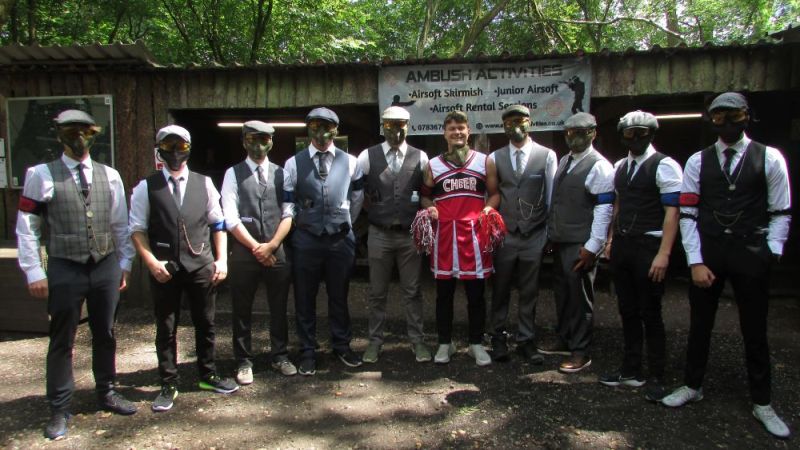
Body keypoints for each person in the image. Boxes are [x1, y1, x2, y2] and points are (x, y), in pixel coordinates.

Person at [662, 92, 791, 439]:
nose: (727, 122)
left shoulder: (770, 157)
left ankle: (762, 401)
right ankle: (692, 384)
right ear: (711, 120)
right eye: (719, 116)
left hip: (751, 252)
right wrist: (696, 260)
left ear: (747, 116)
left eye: (733, 115)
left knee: (755, 329)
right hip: (710, 251)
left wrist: (770, 252)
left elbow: (781, 211)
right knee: (699, 324)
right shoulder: (697, 161)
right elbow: (688, 212)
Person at [16, 109, 137, 439]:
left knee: (106, 331)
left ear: (93, 135)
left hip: (104, 264)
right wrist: (33, 270)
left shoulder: (109, 175)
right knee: (62, 338)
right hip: (65, 265)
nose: (79, 138)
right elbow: (28, 227)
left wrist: (124, 263)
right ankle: (59, 407)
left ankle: (107, 390)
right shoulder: (40, 174)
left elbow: (119, 225)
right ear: (59, 135)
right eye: (71, 132)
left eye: (85, 132)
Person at [129, 125, 238, 412]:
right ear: (160, 150)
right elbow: (137, 230)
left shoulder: (204, 183)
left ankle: (208, 374)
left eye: (180, 147)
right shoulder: (146, 187)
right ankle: (168, 381)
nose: (175, 153)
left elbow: (218, 224)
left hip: (201, 264)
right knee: (166, 327)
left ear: (188, 149)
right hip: (165, 267)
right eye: (168, 147)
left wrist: (222, 260)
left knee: (206, 323)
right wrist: (151, 262)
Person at [599, 111, 682, 401]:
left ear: (651, 133)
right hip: (623, 244)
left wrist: (664, 253)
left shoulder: (665, 165)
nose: (634, 138)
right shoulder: (620, 166)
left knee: (651, 312)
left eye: (641, 133)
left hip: (650, 245)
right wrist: (610, 240)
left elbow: (673, 212)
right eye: (629, 133)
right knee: (627, 310)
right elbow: (618, 204)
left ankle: (657, 375)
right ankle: (630, 368)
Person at [283, 107, 365, 375]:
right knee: (304, 296)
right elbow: (288, 204)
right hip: (306, 239)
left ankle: (342, 345)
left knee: (339, 294)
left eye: (327, 126)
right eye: (315, 126)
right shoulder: (293, 163)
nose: (321, 132)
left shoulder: (351, 161)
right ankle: (307, 351)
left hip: (340, 239)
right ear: (308, 129)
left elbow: (357, 199)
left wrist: (342, 222)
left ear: (336, 130)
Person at [420, 110, 500, 367]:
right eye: (451, 128)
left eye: (461, 128)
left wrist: (489, 208)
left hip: (474, 237)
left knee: (476, 294)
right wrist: (429, 206)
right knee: (444, 294)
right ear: (444, 133)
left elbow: (495, 194)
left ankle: (476, 344)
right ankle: (445, 342)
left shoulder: (484, 161)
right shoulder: (432, 165)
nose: (456, 132)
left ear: (468, 131)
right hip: (444, 237)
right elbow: (424, 195)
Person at [538, 112, 614, 373]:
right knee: (562, 293)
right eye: (569, 133)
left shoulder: (599, 166)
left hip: (581, 244)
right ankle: (565, 337)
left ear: (593, 133)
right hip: (561, 241)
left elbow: (604, 210)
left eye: (580, 133)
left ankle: (581, 351)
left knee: (581, 298)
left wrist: (593, 246)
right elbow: (557, 201)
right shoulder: (565, 161)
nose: (574, 138)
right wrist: (551, 233)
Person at [221, 121, 296, 384]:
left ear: (271, 142)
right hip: (244, 253)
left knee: (279, 307)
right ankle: (243, 361)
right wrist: (257, 247)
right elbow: (229, 218)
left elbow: (289, 213)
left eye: (264, 140)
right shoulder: (233, 173)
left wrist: (272, 245)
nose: (259, 145)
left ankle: (280, 355)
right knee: (241, 308)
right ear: (244, 142)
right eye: (252, 140)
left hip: (277, 251)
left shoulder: (282, 173)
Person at [357, 106, 430, 363]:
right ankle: (375, 343)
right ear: (382, 126)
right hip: (379, 234)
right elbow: (358, 193)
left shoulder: (420, 157)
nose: (395, 130)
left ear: (408, 126)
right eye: (390, 125)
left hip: (410, 236)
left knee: (412, 291)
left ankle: (417, 341)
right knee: (377, 292)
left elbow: (426, 194)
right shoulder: (367, 156)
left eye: (400, 124)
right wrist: (375, 211)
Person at [487, 105, 557, 363]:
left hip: (534, 235)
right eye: (508, 122)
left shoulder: (547, 155)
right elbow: (493, 194)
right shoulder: (495, 157)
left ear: (530, 122)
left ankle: (526, 340)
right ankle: (498, 339)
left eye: (520, 121)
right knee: (500, 288)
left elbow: (550, 197)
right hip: (505, 234)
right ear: (503, 126)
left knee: (530, 290)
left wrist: (548, 233)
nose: (515, 126)